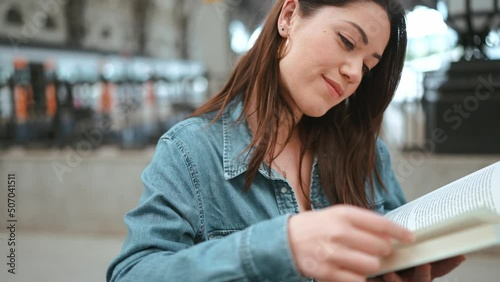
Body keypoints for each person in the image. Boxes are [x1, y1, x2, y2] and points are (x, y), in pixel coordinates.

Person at [106, 0, 465, 281]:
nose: (354, 73)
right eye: (347, 41)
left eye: (368, 66)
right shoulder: (191, 153)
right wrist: (281, 245)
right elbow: (133, 273)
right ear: (289, 17)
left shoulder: (367, 153)